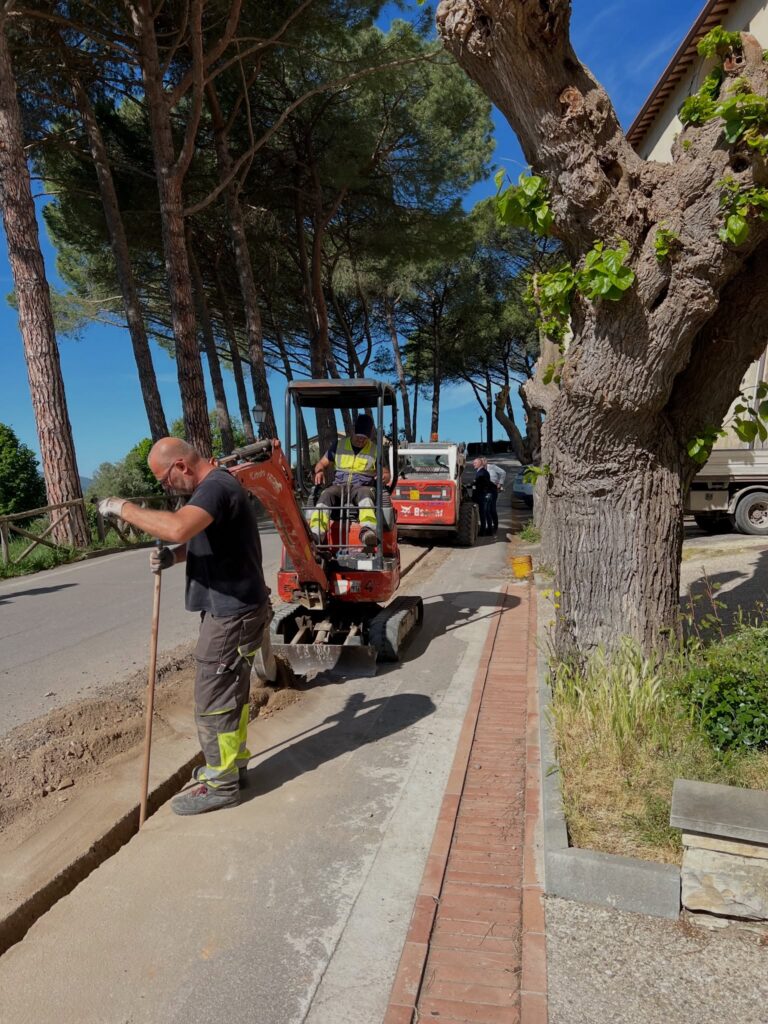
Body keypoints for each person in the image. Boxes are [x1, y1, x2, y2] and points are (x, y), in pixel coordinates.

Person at [98, 437, 273, 816]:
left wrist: (122, 507)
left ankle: (221, 784)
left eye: (165, 479)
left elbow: (178, 528)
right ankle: (233, 764)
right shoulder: (216, 489)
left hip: (231, 616)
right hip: (238, 610)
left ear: (181, 466)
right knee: (230, 695)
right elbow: (197, 542)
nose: (167, 487)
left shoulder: (215, 487)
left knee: (212, 701)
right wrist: (173, 557)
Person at [310, 413, 378, 549]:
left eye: (364, 438)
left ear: (369, 436)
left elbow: (387, 473)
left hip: (361, 487)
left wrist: (384, 476)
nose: (361, 441)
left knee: (366, 495)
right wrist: (319, 471)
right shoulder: (339, 445)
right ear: (353, 431)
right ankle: (316, 533)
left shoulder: (375, 450)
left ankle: (368, 532)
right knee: (326, 494)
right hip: (339, 486)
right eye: (359, 437)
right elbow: (321, 463)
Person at [472, 458, 495, 536]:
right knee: (486, 513)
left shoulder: (482, 473)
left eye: (475, 463)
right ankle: (489, 530)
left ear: (480, 464)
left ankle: (483, 531)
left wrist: (472, 485)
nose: (473, 464)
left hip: (482, 496)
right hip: (484, 495)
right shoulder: (482, 472)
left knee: (483, 513)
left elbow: (480, 485)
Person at [485, 458, 507, 534]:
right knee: (487, 509)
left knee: (492, 509)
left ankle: (495, 525)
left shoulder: (492, 467)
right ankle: (489, 527)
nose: (483, 463)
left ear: (486, 461)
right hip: (485, 491)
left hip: (493, 490)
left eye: (484, 461)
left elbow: (503, 473)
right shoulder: (480, 469)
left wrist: (500, 483)